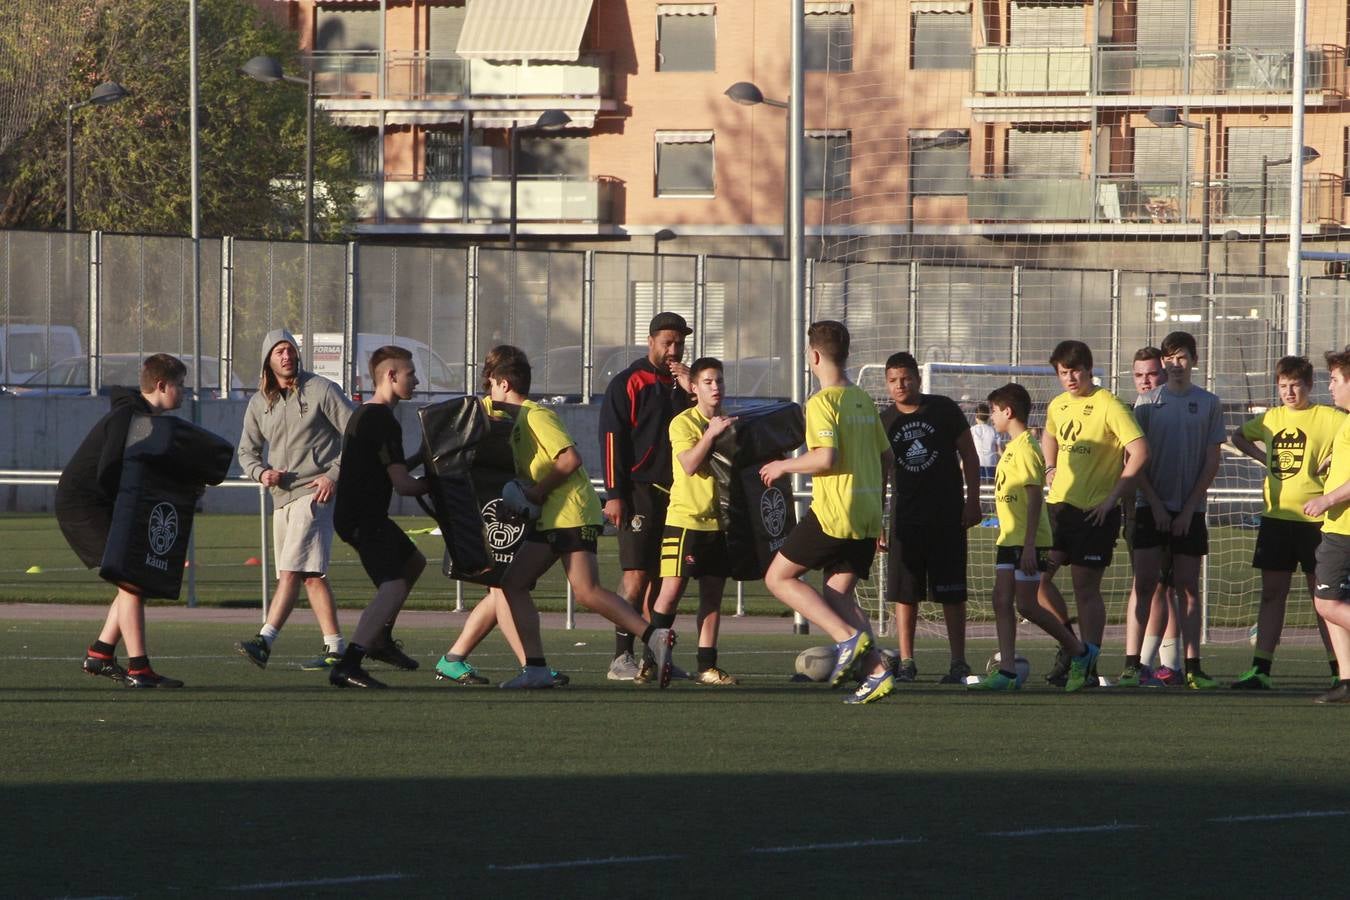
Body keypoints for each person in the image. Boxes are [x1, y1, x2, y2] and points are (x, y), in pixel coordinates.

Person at [489, 346, 677, 689]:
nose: (489, 394)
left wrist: (536, 493)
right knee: (514, 583)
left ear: (503, 384)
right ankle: (535, 669)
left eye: (491, 385)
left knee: (586, 591)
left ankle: (653, 636)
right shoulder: (517, 421)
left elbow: (569, 460)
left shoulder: (535, 416)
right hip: (555, 515)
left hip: (571, 513)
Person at [759, 320, 895, 705]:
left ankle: (846, 639)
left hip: (835, 513)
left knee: (778, 577)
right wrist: (879, 511)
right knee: (838, 596)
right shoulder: (863, 399)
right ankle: (878, 674)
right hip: (866, 515)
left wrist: (782, 465)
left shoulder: (822, 402)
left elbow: (825, 458)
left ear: (814, 356)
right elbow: (887, 458)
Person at [60, 353, 188, 688]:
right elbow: (109, 468)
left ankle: (101, 653)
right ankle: (139, 669)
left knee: (134, 578)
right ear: (162, 385)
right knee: (131, 579)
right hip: (83, 505)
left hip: (100, 504)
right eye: (180, 385)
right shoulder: (129, 416)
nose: (184, 392)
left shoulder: (145, 418)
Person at [234, 329, 354, 671]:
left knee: (290, 571)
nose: (287, 356)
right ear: (267, 360)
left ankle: (264, 641)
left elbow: (357, 432)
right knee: (310, 575)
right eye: (279, 352)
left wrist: (333, 475)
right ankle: (336, 648)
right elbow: (246, 452)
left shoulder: (322, 389)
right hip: (281, 499)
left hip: (313, 495)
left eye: (290, 349)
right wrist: (261, 473)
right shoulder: (259, 403)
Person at [968, 383, 1095, 691]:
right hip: (1008, 538)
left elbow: (1035, 498)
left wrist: (1028, 546)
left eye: (995, 411)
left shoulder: (1026, 447)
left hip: (1027, 541)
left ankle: (1079, 651)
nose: (992, 416)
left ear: (1008, 411)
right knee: (1001, 600)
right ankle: (1008, 672)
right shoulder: (1012, 447)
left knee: (1026, 606)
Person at [1041, 339, 1147, 691]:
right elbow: (1049, 434)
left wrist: (1113, 497)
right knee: (1037, 582)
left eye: (1076, 371)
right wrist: (1050, 467)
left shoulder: (1109, 404)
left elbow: (1139, 451)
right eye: (1063, 372)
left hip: (1095, 513)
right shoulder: (1058, 405)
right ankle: (1072, 646)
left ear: (1089, 370)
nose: (1070, 378)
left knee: (1085, 588)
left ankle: (1088, 663)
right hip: (1059, 508)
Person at [1231, 355, 1343, 689]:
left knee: (1324, 600)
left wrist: (1334, 456)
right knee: (1271, 594)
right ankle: (1260, 669)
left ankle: (1339, 670)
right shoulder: (1271, 418)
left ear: (1309, 385)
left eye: (1295, 385)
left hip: (1317, 521)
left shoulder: (1329, 417)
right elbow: (1239, 436)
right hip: (1276, 518)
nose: (1289, 392)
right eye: (1283, 386)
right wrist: (1263, 458)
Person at [1123, 331, 1225, 689]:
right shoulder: (1147, 402)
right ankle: (1132, 664)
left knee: (1187, 586)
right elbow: (1135, 459)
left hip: (1189, 511)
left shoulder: (1209, 403)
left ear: (1194, 360)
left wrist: (1187, 509)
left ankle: (1192, 666)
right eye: (1169, 359)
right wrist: (1154, 504)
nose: (1175, 364)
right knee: (1145, 583)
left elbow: (1211, 460)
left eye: (1182, 357)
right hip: (1150, 506)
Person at [328, 346, 431, 689]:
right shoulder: (382, 419)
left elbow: (390, 469)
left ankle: (380, 639)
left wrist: (423, 458)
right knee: (393, 585)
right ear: (391, 375)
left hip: (364, 515)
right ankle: (349, 663)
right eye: (410, 374)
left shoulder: (369, 414)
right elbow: (403, 485)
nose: (416, 381)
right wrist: (442, 483)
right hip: (362, 517)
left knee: (413, 563)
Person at [598, 312, 692, 680]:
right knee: (636, 576)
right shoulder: (629, 382)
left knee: (663, 578)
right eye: (667, 343)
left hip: (677, 495)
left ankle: (654, 659)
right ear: (651, 341)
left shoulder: (685, 386)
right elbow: (612, 439)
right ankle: (620, 657)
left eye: (679, 343)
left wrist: (693, 390)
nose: (674, 350)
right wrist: (614, 494)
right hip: (638, 491)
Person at [879, 351, 981, 684]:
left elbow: (969, 455)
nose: (900, 385)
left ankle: (958, 662)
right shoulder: (884, 421)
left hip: (947, 515)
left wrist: (972, 501)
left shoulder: (943, 409)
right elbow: (880, 473)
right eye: (893, 380)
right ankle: (907, 661)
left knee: (952, 592)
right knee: (905, 593)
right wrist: (878, 521)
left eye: (906, 378)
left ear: (918, 379)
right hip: (905, 519)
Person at [644, 356, 740, 686]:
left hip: (718, 523)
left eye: (719, 381)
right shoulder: (683, 423)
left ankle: (707, 666)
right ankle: (651, 661)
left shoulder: (729, 423)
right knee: (670, 592)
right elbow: (688, 464)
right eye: (708, 382)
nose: (716, 387)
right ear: (694, 388)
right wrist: (711, 434)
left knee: (712, 598)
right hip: (685, 520)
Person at [1120, 346, 1184, 686]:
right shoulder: (1132, 411)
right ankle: (1142, 663)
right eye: (1139, 375)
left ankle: (1168, 663)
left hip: (1177, 504)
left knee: (1169, 584)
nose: (1145, 381)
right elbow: (1131, 462)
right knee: (1148, 583)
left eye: (1152, 373)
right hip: (1140, 508)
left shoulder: (1178, 408)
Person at [1301, 350, 1350, 704]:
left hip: (1344, 528)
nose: (1329, 387)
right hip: (1338, 526)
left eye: (1334, 380)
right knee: (1337, 603)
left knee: (1327, 604)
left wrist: (1326, 499)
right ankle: (1347, 681)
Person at [969, 402, 1004, 480]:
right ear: (988, 417)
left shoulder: (972, 430)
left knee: (978, 484)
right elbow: (999, 450)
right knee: (991, 485)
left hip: (977, 463)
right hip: (991, 464)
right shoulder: (994, 430)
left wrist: (963, 462)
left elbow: (969, 449)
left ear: (976, 416)